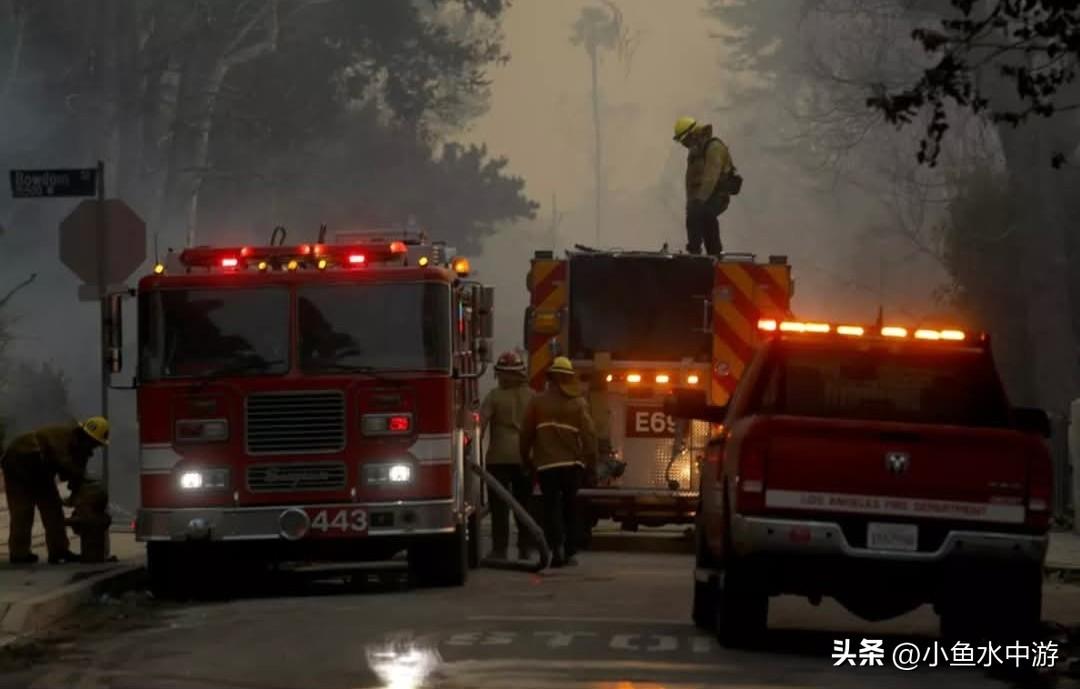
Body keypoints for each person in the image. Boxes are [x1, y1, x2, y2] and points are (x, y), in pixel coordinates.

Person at [519, 357, 598, 568]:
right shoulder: (578, 403)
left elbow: (526, 433)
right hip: (572, 465)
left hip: (546, 465)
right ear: (569, 377)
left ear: (551, 377)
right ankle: (569, 551)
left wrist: (525, 458)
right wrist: (592, 461)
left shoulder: (537, 402)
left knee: (550, 507)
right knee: (570, 507)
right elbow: (589, 434)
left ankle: (556, 549)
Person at [1, 417, 110, 564]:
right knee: (22, 511)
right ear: (85, 437)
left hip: (42, 470)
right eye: (94, 443)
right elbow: (66, 466)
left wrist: (77, 493)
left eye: (97, 445)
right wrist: (79, 482)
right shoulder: (63, 438)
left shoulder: (80, 449)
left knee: (53, 510)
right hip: (18, 461)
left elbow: (74, 477)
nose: (94, 448)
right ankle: (19, 554)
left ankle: (59, 551)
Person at [480, 351, 536, 561]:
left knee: (499, 507)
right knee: (524, 505)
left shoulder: (494, 396)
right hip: (526, 458)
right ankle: (525, 548)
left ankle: (499, 550)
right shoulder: (533, 397)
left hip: (498, 459)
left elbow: (480, 425)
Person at [673, 116, 740, 257]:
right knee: (698, 216)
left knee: (704, 213)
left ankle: (704, 251)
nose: (684, 144)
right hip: (701, 197)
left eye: (684, 140)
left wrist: (698, 201)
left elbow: (711, 177)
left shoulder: (714, 147)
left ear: (692, 135)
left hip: (718, 195)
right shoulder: (695, 151)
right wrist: (691, 203)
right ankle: (704, 253)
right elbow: (691, 182)